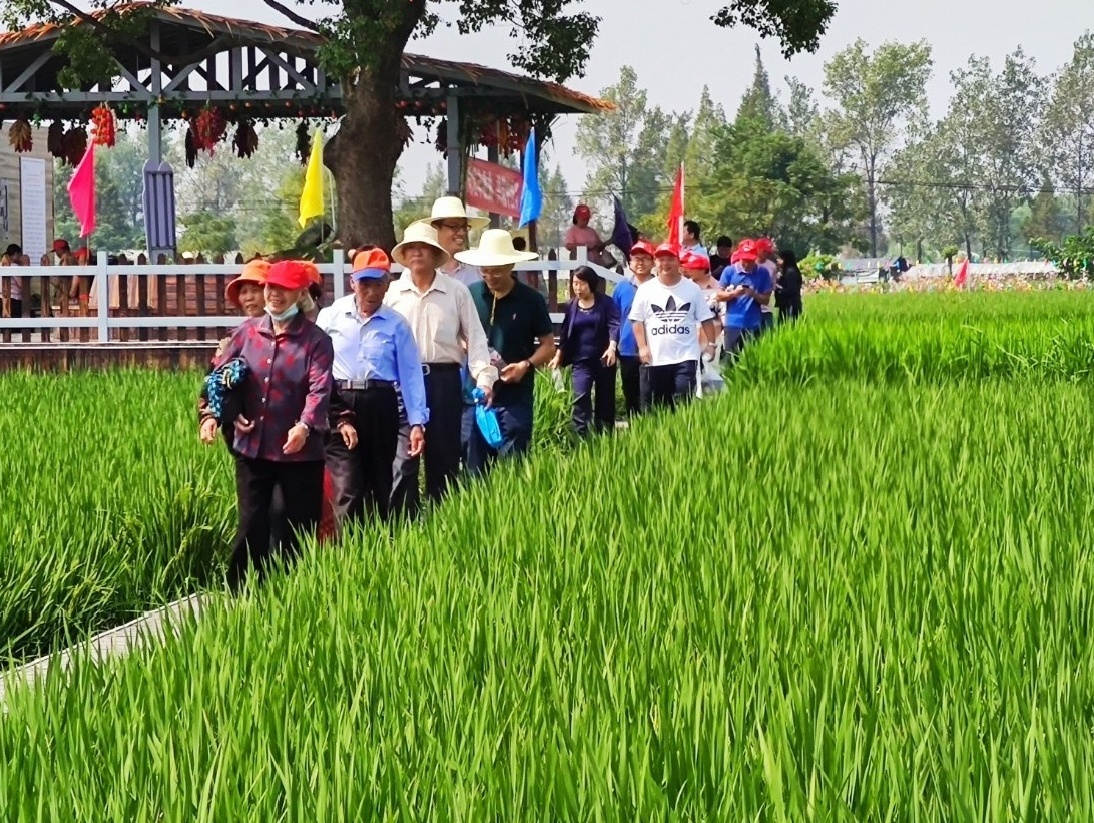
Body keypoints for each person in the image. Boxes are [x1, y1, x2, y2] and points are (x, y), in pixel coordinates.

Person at [198, 260, 334, 591]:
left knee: (295, 529)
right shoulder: (246, 333)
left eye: (284, 289)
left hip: (300, 453)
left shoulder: (316, 341)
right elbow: (218, 378)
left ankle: (293, 595)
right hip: (253, 448)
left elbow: (319, 389)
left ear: (300, 294)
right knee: (251, 525)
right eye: (271, 287)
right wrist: (215, 414)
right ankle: (239, 597)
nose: (275, 294)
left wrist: (304, 426)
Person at [385, 221, 498, 520]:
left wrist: (484, 378)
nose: (417, 253)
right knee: (403, 459)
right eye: (411, 248)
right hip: (402, 384)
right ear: (404, 254)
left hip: (443, 380)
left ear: (435, 254)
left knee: (444, 456)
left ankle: (441, 523)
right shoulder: (393, 293)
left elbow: (476, 338)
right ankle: (403, 526)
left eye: (423, 248)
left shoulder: (455, 292)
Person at [317, 248, 427, 525]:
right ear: (352, 282)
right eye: (365, 283)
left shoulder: (397, 324)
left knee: (380, 481)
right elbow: (316, 365)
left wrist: (416, 423)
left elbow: (411, 375)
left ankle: (379, 540)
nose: (371, 291)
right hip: (340, 402)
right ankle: (347, 545)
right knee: (347, 485)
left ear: (387, 284)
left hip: (380, 402)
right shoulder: (332, 316)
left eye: (378, 284)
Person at [460, 229, 555, 475]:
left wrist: (526, 365)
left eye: (497, 271)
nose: (490, 276)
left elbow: (548, 345)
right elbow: (457, 335)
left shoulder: (530, 300)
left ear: (511, 266)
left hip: (515, 396)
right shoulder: (469, 295)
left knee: (513, 470)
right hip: (476, 396)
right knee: (473, 470)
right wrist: (468, 348)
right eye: (485, 270)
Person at [629, 243, 718, 409]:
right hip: (655, 358)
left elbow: (706, 319)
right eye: (661, 259)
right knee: (656, 407)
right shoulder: (646, 290)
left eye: (670, 259)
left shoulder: (692, 289)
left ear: (678, 261)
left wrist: (711, 345)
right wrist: (642, 347)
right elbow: (636, 320)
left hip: (686, 357)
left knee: (683, 402)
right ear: (655, 263)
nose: (665, 263)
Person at [550, 266, 620, 437]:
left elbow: (614, 325)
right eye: (575, 283)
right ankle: (581, 438)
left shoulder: (606, 303)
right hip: (581, 361)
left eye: (582, 284)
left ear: (591, 283)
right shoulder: (571, 306)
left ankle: (605, 437)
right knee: (580, 398)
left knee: (605, 401)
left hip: (604, 360)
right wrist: (558, 355)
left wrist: (612, 347)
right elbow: (565, 333)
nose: (578, 288)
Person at [612, 240, 656, 416]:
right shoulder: (621, 287)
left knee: (652, 395)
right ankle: (634, 428)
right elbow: (614, 319)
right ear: (630, 262)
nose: (640, 263)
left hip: (655, 349)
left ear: (653, 262)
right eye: (636, 259)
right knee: (631, 393)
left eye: (645, 258)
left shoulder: (660, 287)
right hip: (628, 349)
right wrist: (613, 344)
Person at [418, 195, 489, 288]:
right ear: (435, 229)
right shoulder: (421, 268)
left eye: (464, 227)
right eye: (454, 226)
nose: (462, 232)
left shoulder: (477, 270)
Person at [717, 239, 773, 356]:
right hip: (733, 323)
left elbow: (766, 300)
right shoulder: (729, 271)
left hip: (753, 324)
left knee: (752, 358)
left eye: (750, 261)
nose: (747, 264)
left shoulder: (763, 273)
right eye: (744, 260)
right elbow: (719, 296)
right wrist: (734, 293)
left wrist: (753, 294)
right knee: (730, 359)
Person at [681, 251, 726, 395]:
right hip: (690, 336)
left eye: (692, 268)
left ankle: (711, 399)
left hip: (712, 336)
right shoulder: (685, 287)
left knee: (711, 368)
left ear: (702, 269)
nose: (688, 270)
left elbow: (723, 312)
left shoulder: (717, 288)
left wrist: (723, 333)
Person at [755, 238, 778, 333]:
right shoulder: (750, 263)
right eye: (764, 251)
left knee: (769, 334)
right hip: (751, 309)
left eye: (768, 252)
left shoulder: (772, 266)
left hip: (766, 308)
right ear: (757, 249)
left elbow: (772, 285)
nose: (767, 254)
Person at [775, 249, 803, 323]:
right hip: (787, 304)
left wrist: (779, 289)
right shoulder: (787, 271)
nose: (777, 260)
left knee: (788, 324)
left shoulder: (790, 272)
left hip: (790, 304)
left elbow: (791, 289)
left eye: (780, 258)